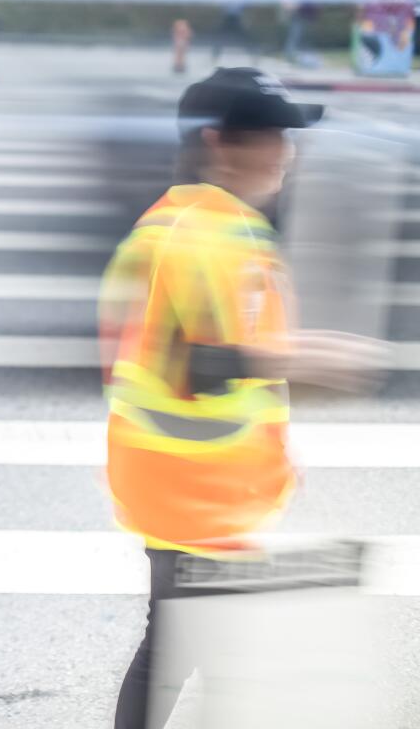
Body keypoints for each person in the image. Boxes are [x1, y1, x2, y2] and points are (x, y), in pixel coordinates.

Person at [100, 67, 387, 729]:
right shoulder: (199, 233)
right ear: (218, 143)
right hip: (185, 482)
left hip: (202, 479)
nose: (285, 152)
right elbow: (196, 363)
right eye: (270, 136)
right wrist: (311, 359)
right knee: (187, 646)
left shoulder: (218, 224)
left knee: (196, 644)